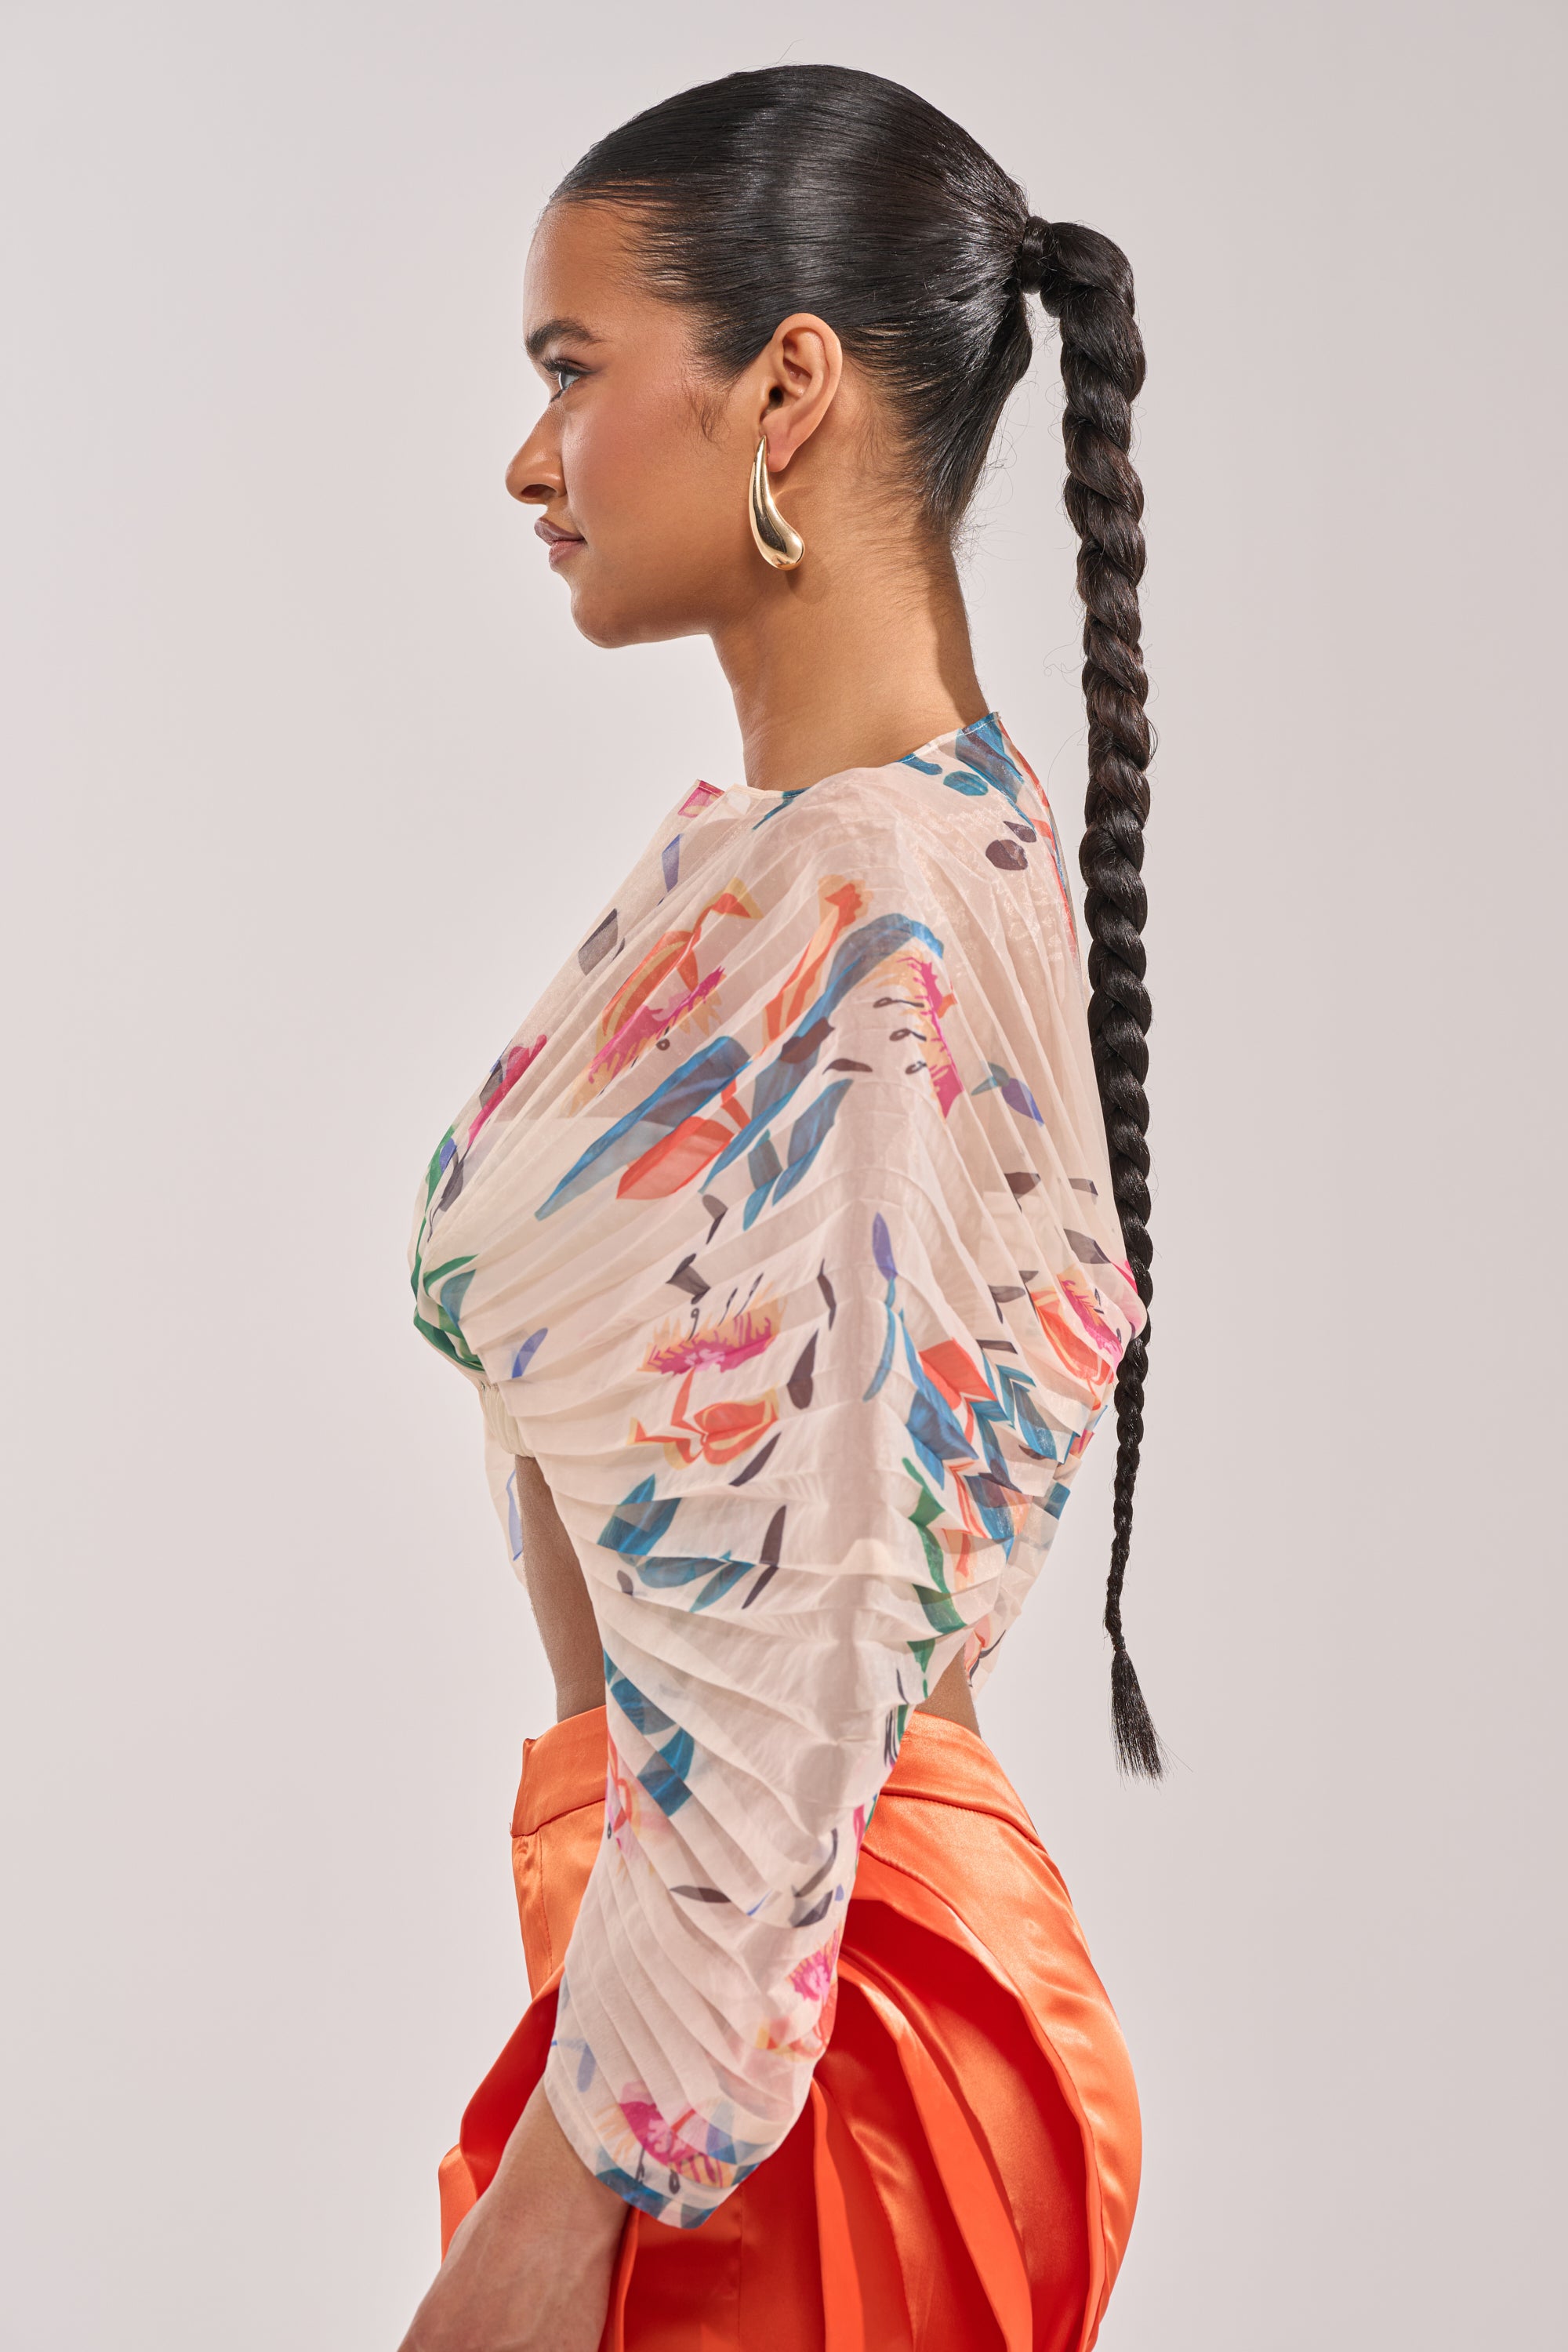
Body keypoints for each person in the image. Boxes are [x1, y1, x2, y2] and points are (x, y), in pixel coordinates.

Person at [397, 64, 1159, 2352]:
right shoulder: (844, 852)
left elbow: (810, 1629)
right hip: (737, 1977)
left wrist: (568, 2201)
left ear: (788, 388)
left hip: (794, 2036)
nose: (531, 461)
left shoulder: (875, 902)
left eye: (572, 370)